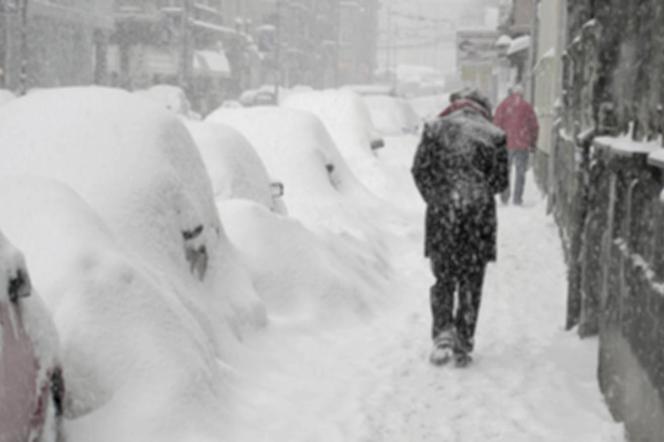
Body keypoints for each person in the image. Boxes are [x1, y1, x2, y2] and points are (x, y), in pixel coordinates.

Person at [412, 90, 509, 367]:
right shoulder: (494, 135)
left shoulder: (435, 129)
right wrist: (478, 194)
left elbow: (420, 170)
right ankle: (463, 340)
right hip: (478, 222)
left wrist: (437, 198)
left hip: (443, 218)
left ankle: (443, 332)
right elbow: (501, 182)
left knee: (443, 278)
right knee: (471, 281)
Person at [493, 84, 539, 205]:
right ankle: (517, 198)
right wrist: (533, 143)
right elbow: (534, 126)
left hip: (506, 144)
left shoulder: (503, 105)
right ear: (522, 94)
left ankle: (504, 196)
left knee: (505, 171)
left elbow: (496, 123)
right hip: (522, 144)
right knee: (520, 172)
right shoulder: (527, 106)